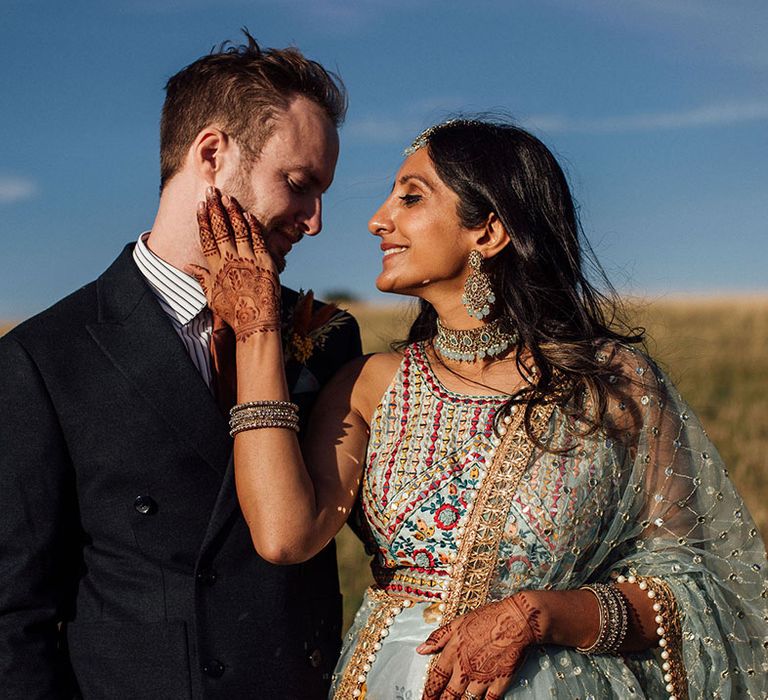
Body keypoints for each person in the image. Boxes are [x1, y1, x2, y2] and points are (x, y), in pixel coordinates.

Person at [193, 117, 768, 700]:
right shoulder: (370, 386)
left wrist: (538, 615)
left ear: (488, 232)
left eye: (411, 197)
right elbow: (283, 535)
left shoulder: (612, 385)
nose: (377, 220)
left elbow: (690, 590)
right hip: (394, 681)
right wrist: (258, 327)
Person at [0, 33, 361, 699]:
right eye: (299, 185)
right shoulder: (45, 359)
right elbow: (13, 616)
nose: (314, 222)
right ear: (213, 153)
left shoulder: (332, 337)